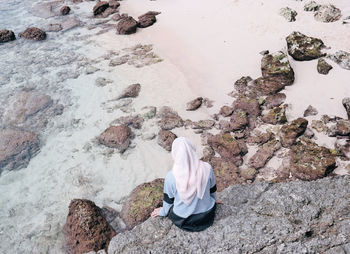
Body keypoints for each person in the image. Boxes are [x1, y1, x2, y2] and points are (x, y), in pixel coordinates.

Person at [151, 137, 222, 232]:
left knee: (173, 207)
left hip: (184, 220)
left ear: (174, 154)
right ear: (193, 150)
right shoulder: (207, 168)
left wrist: (162, 211)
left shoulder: (171, 176)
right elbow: (212, 189)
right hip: (207, 215)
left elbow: (169, 201)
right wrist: (212, 200)